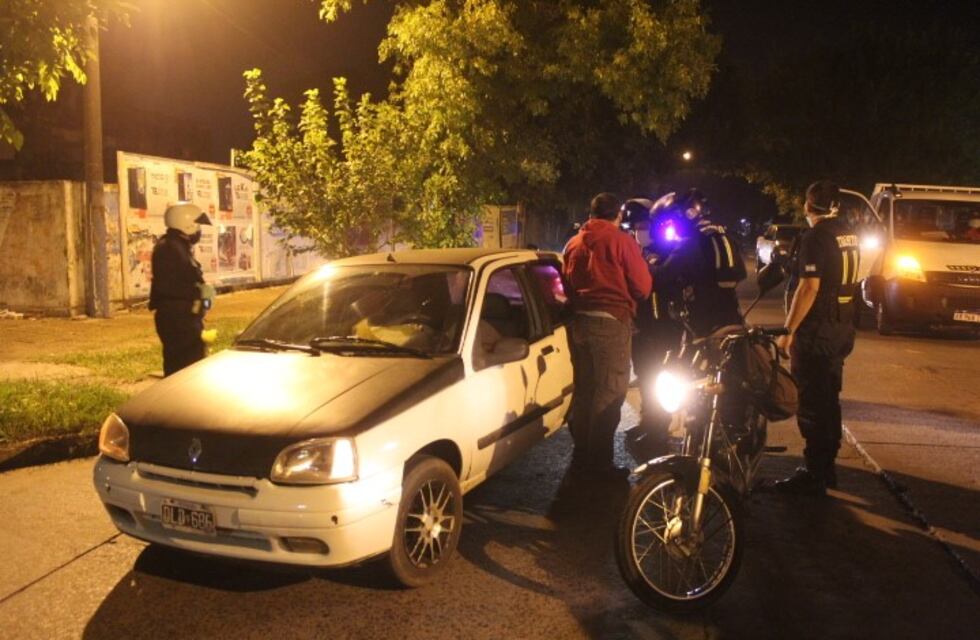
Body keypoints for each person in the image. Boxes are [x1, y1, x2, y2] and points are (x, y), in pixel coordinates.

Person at [773, 180, 859, 495]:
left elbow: (809, 287)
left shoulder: (816, 238)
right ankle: (826, 468)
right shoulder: (848, 234)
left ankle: (815, 475)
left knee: (812, 402)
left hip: (818, 331)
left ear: (808, 206)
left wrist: (788, 332)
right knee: (829, 399)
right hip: (841, 327)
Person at [563, 192, 652, 477]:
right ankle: (599, 465)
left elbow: (565, 282)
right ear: (618, 216)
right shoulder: (622, 242)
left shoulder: (573, 243)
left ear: (591, 213)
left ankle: (582, 454)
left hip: (578, 324)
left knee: (586, 390)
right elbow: (643, 287)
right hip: (610, 323)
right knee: (610, 393)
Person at [620, 198, 684, 458]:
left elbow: (664, 282)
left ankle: (659, 432)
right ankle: (649, 424)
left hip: (665, 329)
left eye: (644, 225)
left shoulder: (670, 250)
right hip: (642, 329)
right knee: (646, 379)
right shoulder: (636, 251)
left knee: (660, 380)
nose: (640, 230)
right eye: (635, 226)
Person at [647, 189, 747, 338]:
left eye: (670, 221)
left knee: (685, 358)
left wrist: (646, 263)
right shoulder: (721, 236)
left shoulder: (689, 243)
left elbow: (662, 277)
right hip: (732, 315)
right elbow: (740, 273)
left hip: (702, 321)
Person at [149, 202, 214, 376]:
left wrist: (203, 297)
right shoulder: (170, 248)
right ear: (186, 224)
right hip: (178, 318)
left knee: (187, 363)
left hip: (181, 316)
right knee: (185, 368)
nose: (199, 230)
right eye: (197, 224)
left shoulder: (176, 246)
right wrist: (200, 293)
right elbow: (172, 286)